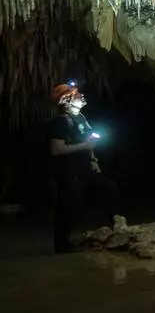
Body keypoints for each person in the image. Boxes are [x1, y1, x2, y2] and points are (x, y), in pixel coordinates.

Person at [47, 82, 119, 252]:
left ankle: (116, 228)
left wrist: (93, 159)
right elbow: (56, 149)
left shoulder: (81, 118)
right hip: (68, 173)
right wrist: (85, 147)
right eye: (76, 94)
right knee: (68, 207)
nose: (81, 96)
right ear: (67, 100)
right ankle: (62, 247)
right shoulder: (60, 122)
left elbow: (89, 143)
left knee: (110, 188)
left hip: (86, 169)